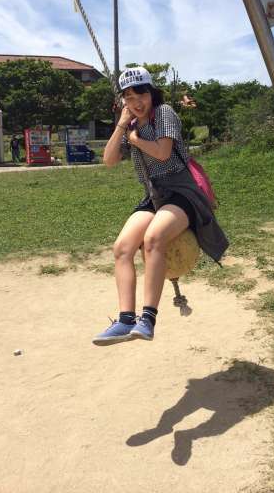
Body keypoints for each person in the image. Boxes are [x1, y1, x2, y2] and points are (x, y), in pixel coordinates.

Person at [92, 67, 228, 346]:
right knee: (122, 248)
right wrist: (122, 126)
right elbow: (108, 160)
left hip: (182, 191)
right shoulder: (130, 125)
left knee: (153, 238)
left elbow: (163, 152)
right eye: (129, 97)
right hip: (155, 195)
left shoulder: (164, 113)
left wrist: (135, 140)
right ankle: (125, 320)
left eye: (141, 94)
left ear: (151, 93)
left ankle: (148, 319)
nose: (136, 102)